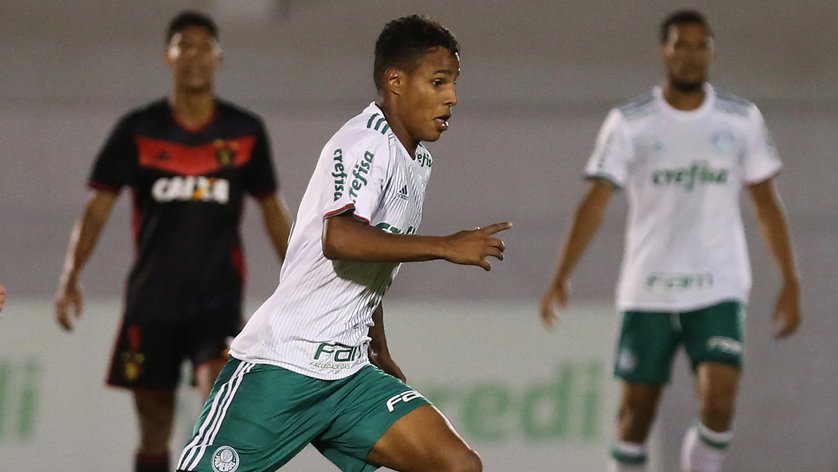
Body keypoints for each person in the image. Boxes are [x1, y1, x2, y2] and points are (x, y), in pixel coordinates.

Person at [176, 14, 510, 472]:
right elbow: (341, 238)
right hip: (284, 365)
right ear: (395, 81)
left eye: (453, 83)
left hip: (347, 375)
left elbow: (371, 259)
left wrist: (379, 345)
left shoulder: (417, 161)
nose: (452, 96)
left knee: (458, 466)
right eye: (438, 82)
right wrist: (445, 246)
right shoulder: (364, 143)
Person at [540, 9, 801, 472]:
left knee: (719, 402)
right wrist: (561, 275)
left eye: (702, 46)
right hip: (649, 287)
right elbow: (594, 203)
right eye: (682, 45)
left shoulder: (741, 119)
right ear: (665, 51)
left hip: (718, 283)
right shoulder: (630, 122)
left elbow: (766, 203)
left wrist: (790, 279)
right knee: (635, 415)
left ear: (712, 52)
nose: (692, 56)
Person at [54, 11, 293, 472]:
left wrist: (303, 279)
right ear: (168, 57)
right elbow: (97, 208)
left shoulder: (244, 131)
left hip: (218, 301)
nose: (194, 55)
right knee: (153, 427)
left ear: (219, 58)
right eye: (185, 45)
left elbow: (272, 211)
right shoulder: (137, 129)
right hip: (152, 302)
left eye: (205, 47)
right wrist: (70, 276)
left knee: (218, 410)